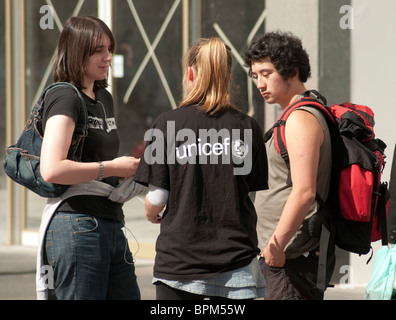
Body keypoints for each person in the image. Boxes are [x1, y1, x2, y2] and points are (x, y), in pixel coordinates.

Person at [133, 37, 269, 300]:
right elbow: (246, 190)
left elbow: (158, 197)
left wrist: (151, 212)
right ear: (228, 77)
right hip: (236, 261)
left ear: (191, 74)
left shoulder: (166, 124)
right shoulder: (247, 127)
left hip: (179, 265)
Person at [38, 16, 141, 300]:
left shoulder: (103, 97)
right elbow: (51, 169)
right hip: (76, 223)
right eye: (98, 50)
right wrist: (111, 167)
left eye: (110, 48)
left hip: (110, 222)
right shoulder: (65, 97)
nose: (107, 56)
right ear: (77, 51)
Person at [244, 31, 335, 300]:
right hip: (288, 255)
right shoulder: (298, 113)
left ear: (292, 71)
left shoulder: (299, 119)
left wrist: (276, 245)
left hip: (292, 256)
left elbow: (304, 191)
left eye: (266, 73)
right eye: (255, 75)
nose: (259, 83)